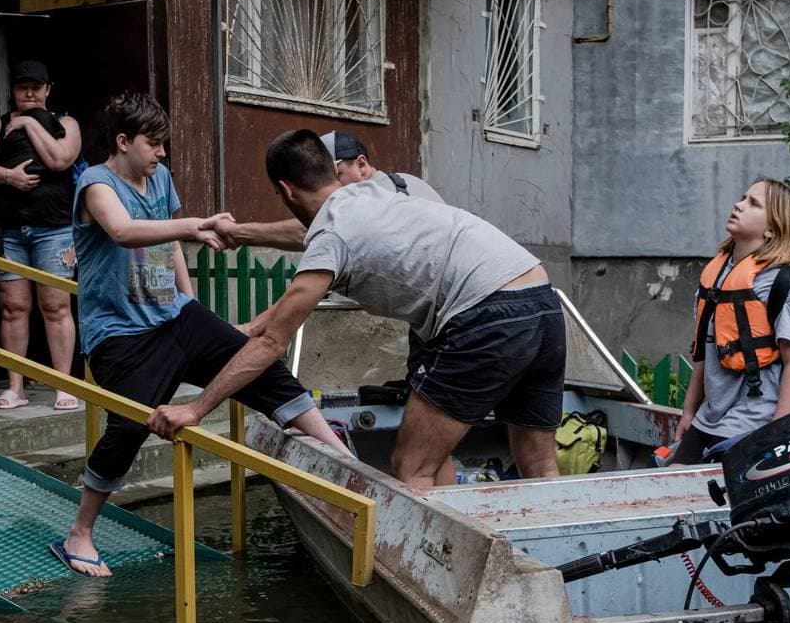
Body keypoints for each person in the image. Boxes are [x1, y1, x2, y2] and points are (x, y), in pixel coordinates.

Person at [148, 129, 564, 495]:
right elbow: (305, 236)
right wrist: (242, 242)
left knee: (412, 469)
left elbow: (274, 341)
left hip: (485, 314)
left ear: (286, 190)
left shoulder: (332, 234)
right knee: (540, 466)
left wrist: (194, 408)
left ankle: (432, 561)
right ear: (331, 171)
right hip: (541, 299)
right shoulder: (373, 193)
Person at [51, 96, 349, 576]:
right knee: (129, 427)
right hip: (120, 334)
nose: (162, 153)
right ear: (123, 142)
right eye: (153, 144)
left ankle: (344, 460)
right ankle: (78, 534)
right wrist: (197, 225)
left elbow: (169, 245)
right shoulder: (95, 184)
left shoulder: (159, 178)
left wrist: (190, 304)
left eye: (163, 144)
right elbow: (124, 231)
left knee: (259, 366)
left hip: (175, 315)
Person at [0, 60, 84, 411]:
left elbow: (60, 160)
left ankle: (62, 385)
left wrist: (30, 122)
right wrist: (8, 177)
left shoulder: (66, 123)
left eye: (36, 87)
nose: (29, 93)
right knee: (13, 307)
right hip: (9, 229)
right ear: (13, 90)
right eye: (22, 87)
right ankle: (15, 387)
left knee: (56, 306)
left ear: (48, 90)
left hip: (55, 229)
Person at [670, 178, 790, 464]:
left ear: (772, 229)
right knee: (673, 481)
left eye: (753, 203)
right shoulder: (716, 275)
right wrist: (689, 412)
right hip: (710, 418)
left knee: (706, 489)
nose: (738, 205)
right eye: (742, 198)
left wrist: (779, 433)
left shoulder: (782, 282)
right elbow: (705, 352)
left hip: (757, 422)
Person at [211, 130, 440, 250]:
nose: (328, 186)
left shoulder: (380, 192)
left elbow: (315, 230)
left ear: (361, 165)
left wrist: (237, 233)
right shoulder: (406, 182)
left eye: (335, 174)